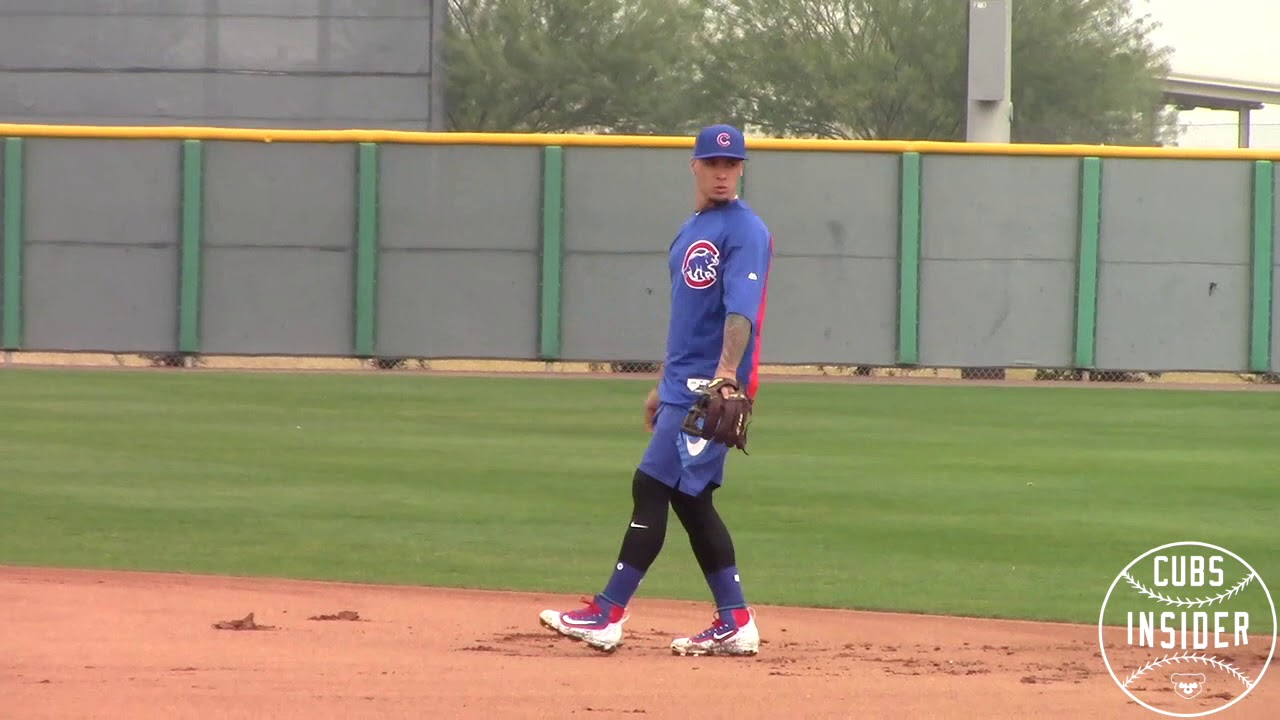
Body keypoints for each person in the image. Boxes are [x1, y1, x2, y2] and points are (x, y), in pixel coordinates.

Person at [539, 123, 774, 656]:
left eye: (732, 164)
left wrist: (728, 374)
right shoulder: (693, 227)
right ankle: (735, 620)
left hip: (708, 385)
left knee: (652, 485)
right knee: (691, 501)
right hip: (682, 382)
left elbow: (741, 311)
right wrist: (661, 384)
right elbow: (690, 317)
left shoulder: (746, 231)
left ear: (741, 169)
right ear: (694, 165)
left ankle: (608, 612)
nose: (722, 172)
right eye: (713, 163)